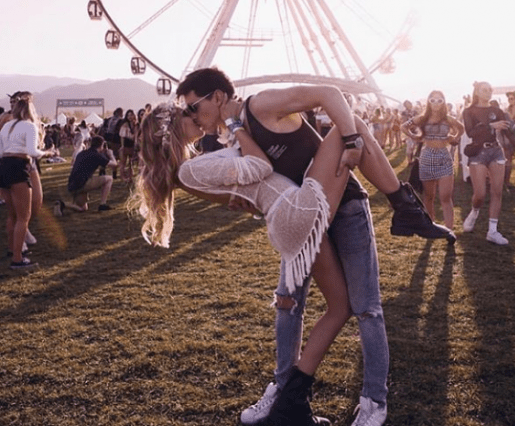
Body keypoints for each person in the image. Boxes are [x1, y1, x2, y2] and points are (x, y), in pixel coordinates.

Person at [176, 68, 455, 426]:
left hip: (345, 208)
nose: (193, 118)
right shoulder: (233, 136)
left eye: (193, 108)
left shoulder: (260, 106)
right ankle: (285, 394)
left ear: (216, 97)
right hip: (306, 219)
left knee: (366, 307)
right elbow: (255, 180)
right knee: (289, 304)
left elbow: (328, 92)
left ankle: (373, 401)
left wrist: (353, 141)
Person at [133, 101, 359, 424]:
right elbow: (261, 167)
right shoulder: (189, 170)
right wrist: (236, 125)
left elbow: (246, 196)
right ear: (171, 128)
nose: (194, 115)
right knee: (348, 130)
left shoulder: (189, 170)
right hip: (294, 210)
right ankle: (401, 201)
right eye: (187, 113)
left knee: (339, 307)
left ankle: (291, 402)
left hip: (286, 216)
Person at [0, 95, 52, 270]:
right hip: (18, 167)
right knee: (24, 217)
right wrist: (47, 153)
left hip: (3, 167)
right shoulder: (29, 126)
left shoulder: (6, 126)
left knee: (12, 214)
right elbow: (32, 151)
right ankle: (17, 259)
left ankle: (11, 249)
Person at [401, 91, 464, 231]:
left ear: (444, 102)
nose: (436, 103)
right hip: (427, 157)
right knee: (429, 196)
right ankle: (431, 227)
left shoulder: (448, 118)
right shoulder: (422, 118)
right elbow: (403, 126)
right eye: (433, 100)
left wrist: (454, 137)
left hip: (444, 158)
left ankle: (449, 230)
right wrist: (414, 136)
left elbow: (461, 128)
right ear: (429, 101)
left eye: (439, 100)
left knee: (446, 197)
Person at [462, 81, 512, 245]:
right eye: (485, 90)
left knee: (497, 192)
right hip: (478, 152)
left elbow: (508, 130)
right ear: (477, 92)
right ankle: (475, 212)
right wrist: (491, 126)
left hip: (496, 151)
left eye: (490, 90)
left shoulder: (496, 110)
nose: (488, 92)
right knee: (480, 194)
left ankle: (492, 231)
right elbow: (471, 132)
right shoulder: (469, 111)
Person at [66, 135, 118, 212]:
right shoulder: (96, 155)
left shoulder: (82, 153)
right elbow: (114, 164)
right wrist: (111, 154)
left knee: (83, 208)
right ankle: (102, 204)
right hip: (83, 184)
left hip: (73, 184)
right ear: (102, 145)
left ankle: (62, 204)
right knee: (109, 179)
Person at [119, 109, 138, 182]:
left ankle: (130, 177)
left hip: (132, 145)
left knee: (131, 162)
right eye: (128, 115)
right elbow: (122, 137)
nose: (130, 117)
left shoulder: (135, 124)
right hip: (125, 145)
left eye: (131, 115)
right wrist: (122, 146)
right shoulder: (125, 125)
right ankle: (123, 177)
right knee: (123, 163)